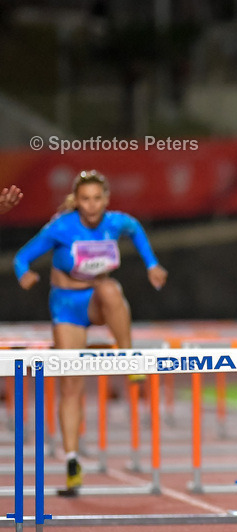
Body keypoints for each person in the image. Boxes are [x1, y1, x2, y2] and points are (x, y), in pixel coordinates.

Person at [14, 170, 168, 495]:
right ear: (77, 201)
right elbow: (21, 257)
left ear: (106, 199)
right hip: (67, 309)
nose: (92, 205)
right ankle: (71, 462)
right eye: (85, 199)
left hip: (98, 302)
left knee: (111, 289)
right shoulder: (61, 227)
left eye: (98, 198)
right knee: (70, 387)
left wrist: (152, 264)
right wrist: (24, 275)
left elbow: (137, 230)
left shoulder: (117, 222)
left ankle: (129, 360)